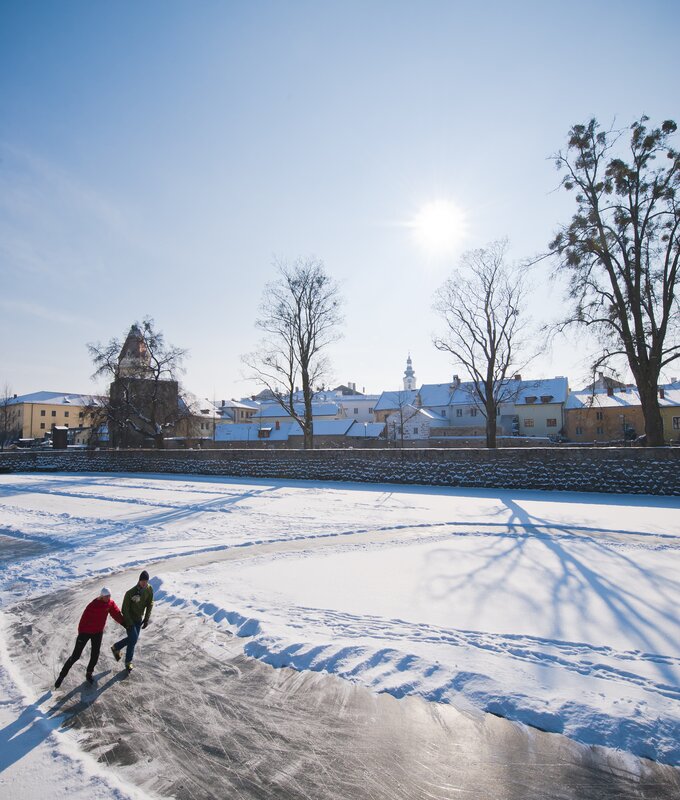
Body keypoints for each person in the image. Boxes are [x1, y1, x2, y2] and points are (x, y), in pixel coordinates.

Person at [55, 587, 125, 688]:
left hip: (98, 632)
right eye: (106, 596)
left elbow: (116, 613)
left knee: (95, 654)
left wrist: (124, 622)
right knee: (76, 655)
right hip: (85, 632)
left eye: (109, 596)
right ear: (102, 596)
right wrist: (81, 633)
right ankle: (62, 675)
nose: (108, 598)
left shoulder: (109, 603)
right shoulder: (93, 605)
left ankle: (89, 673)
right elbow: (83, 618)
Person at [112, 570, 154, 672]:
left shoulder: (149, 589)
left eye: (146, 581)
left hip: (139, 619)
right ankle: (128, 662)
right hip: (129, 619)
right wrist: (129, 623)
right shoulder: (130, 593)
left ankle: (116, 647)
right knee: (133, 639)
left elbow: (150, 604)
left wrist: (146, 619)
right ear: (139, 581)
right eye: (142, 581)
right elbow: (124, 609)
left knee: (132, 640)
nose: (144, 583)